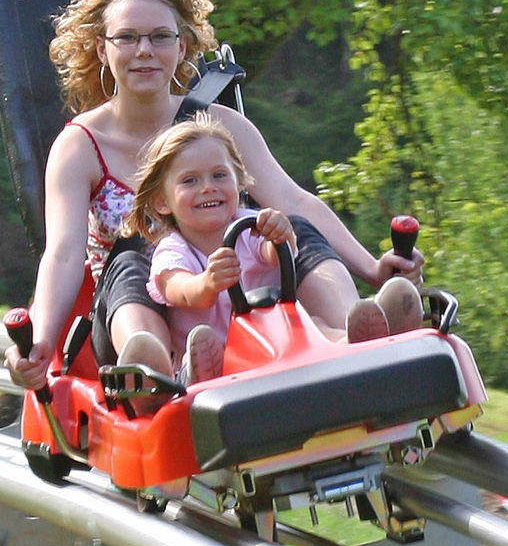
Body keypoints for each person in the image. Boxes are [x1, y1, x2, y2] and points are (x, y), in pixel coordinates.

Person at [4, 0, 421, 391]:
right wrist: (39, 338)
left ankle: (357, 332)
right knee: (131, 261)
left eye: (159, 37)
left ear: (182, 47)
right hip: (139, 306)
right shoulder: (79, 147)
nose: (144, 50)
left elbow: (296, 202)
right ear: (102, 48)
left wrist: (374, 268)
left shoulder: (219, 125)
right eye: (127, 38)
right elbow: (64, 256)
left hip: (236, 287)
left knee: (290, 227)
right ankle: (152, 369)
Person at [124, 114, 420, 401]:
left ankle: (355, 342)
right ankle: (200, 379)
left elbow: (275, 254)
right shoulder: (172, 250)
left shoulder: (247, 226)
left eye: (219, 175)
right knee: (203, 346)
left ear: (239, 183)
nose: (208, 187)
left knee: (314, 323)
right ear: (162, 201)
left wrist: (279, 236)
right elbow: (179, 289)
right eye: (190, 181)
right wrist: (206, 283)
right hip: (221, 352)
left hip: (274, 340)